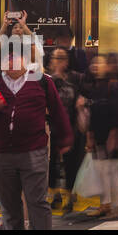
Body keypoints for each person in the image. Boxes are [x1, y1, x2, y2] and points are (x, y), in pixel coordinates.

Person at [0, 25, 72, 230]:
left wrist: (65, 140)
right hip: (1, 154)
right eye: (6, 57)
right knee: (9, 208)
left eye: (14, 57)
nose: (9, 61)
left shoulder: (42, 82)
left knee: (37, 203)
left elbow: (58, 112)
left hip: (33, 151)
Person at [82, 53, 118, 220]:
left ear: (108, 67)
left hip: (114, 134)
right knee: (102, 171)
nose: (95, 66)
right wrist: (89, 136)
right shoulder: (93, 87)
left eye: (100, 63)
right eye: (94, 63)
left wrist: (114, 136)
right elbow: (92, 115)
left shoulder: (114, 86)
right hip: (98, 134)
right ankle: (105, 205)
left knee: (115, 171)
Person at [45, 46, 83, 213]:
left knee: (70, 163)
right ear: (50, 61)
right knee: (51, 162)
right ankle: (54, 195)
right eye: (56, 58)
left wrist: (82, 102)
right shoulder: (46, 79)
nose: (59, 61)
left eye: (63, 58)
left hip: (71, 126)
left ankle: (69, 196)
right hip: (51, 128)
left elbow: (85, 97)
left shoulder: (76, 79)